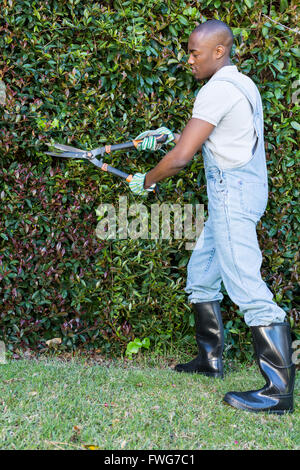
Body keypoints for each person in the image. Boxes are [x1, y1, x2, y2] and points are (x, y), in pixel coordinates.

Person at [128, 19, 296, 414]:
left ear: (218, 51)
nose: (189, 59)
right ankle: (210, 361)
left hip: (231, 198)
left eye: (194, 52)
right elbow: (221, 136)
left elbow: (183, 158)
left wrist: (147, 180)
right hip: (244, 192)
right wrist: (171, 135)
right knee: (202, 276)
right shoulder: (242, 84)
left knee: (248, 288)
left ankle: (278, 392)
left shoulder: (216, 90)